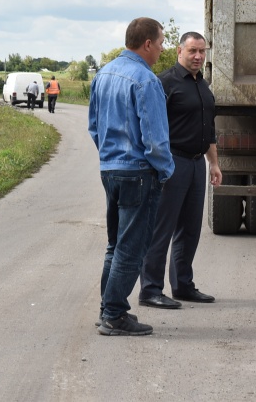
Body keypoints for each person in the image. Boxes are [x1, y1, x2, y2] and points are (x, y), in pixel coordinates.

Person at [88, 17, 175, 336]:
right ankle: (114, 314)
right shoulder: (146, 80)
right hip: (139, 172)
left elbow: (94, 126)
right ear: (148, 43)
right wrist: (165, 170)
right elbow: (155, 137)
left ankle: (107, 309)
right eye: (162, 42)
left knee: (116, 244)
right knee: (132, 247)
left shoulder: (104, 73)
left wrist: (110, 156)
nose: (163, 48)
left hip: (110, 170)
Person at [138, 31, 223, 310]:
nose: (198, 56)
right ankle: (150, 289)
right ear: (179, 51)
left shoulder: (203, 86)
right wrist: (158, 165)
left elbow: (208, 129)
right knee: (162, 228)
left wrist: (214, 163)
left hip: (197, 163)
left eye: (202, 51)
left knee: (190, 230)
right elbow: (150, 127)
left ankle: (183, 285)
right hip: (171, 163)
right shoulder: (164, 83)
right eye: (192, 51)